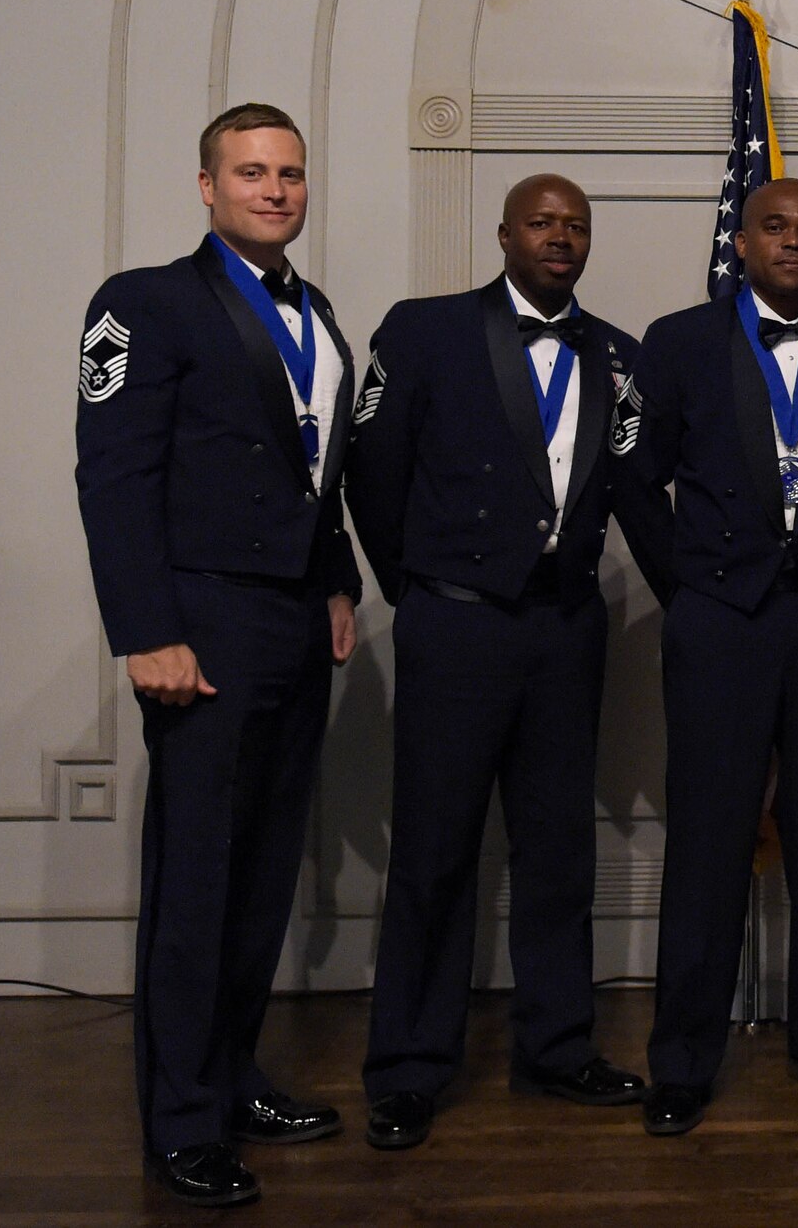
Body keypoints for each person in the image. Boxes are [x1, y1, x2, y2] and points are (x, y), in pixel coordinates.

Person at [74, 102, 361, 1207]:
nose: (275, 189)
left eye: (289, 172)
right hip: (198, 622)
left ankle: (232, 1074)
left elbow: (312, 467)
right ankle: (181, 1118)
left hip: (290, 617)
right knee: (198, 879)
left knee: (259, 869)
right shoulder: (143, 302)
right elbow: (113, 475)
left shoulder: (314, 309)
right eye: (251, 172)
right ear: (207, 186)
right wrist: (145, 629)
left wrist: (335, 576)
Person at [346, 174, 645, 1152]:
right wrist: (421, 589)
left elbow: (637, 498)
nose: (560, 237)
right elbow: (374, 475)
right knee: (433, 853)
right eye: (542, 222)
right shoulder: (425, 329)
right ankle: (406, 1069)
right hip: (458, 625)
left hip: (565, 630)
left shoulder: (617, 355)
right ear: (506, 232)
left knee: (558, 854)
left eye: (576, 226)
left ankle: (557, 1047)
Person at [613, 178, 798, 1136]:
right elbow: (633, 476)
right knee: (707, 844)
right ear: (743, 240)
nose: (795, 242)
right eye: (777, 227)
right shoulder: (678, 339)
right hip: (719, 624)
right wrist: (689, 582)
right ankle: (684, 1059)